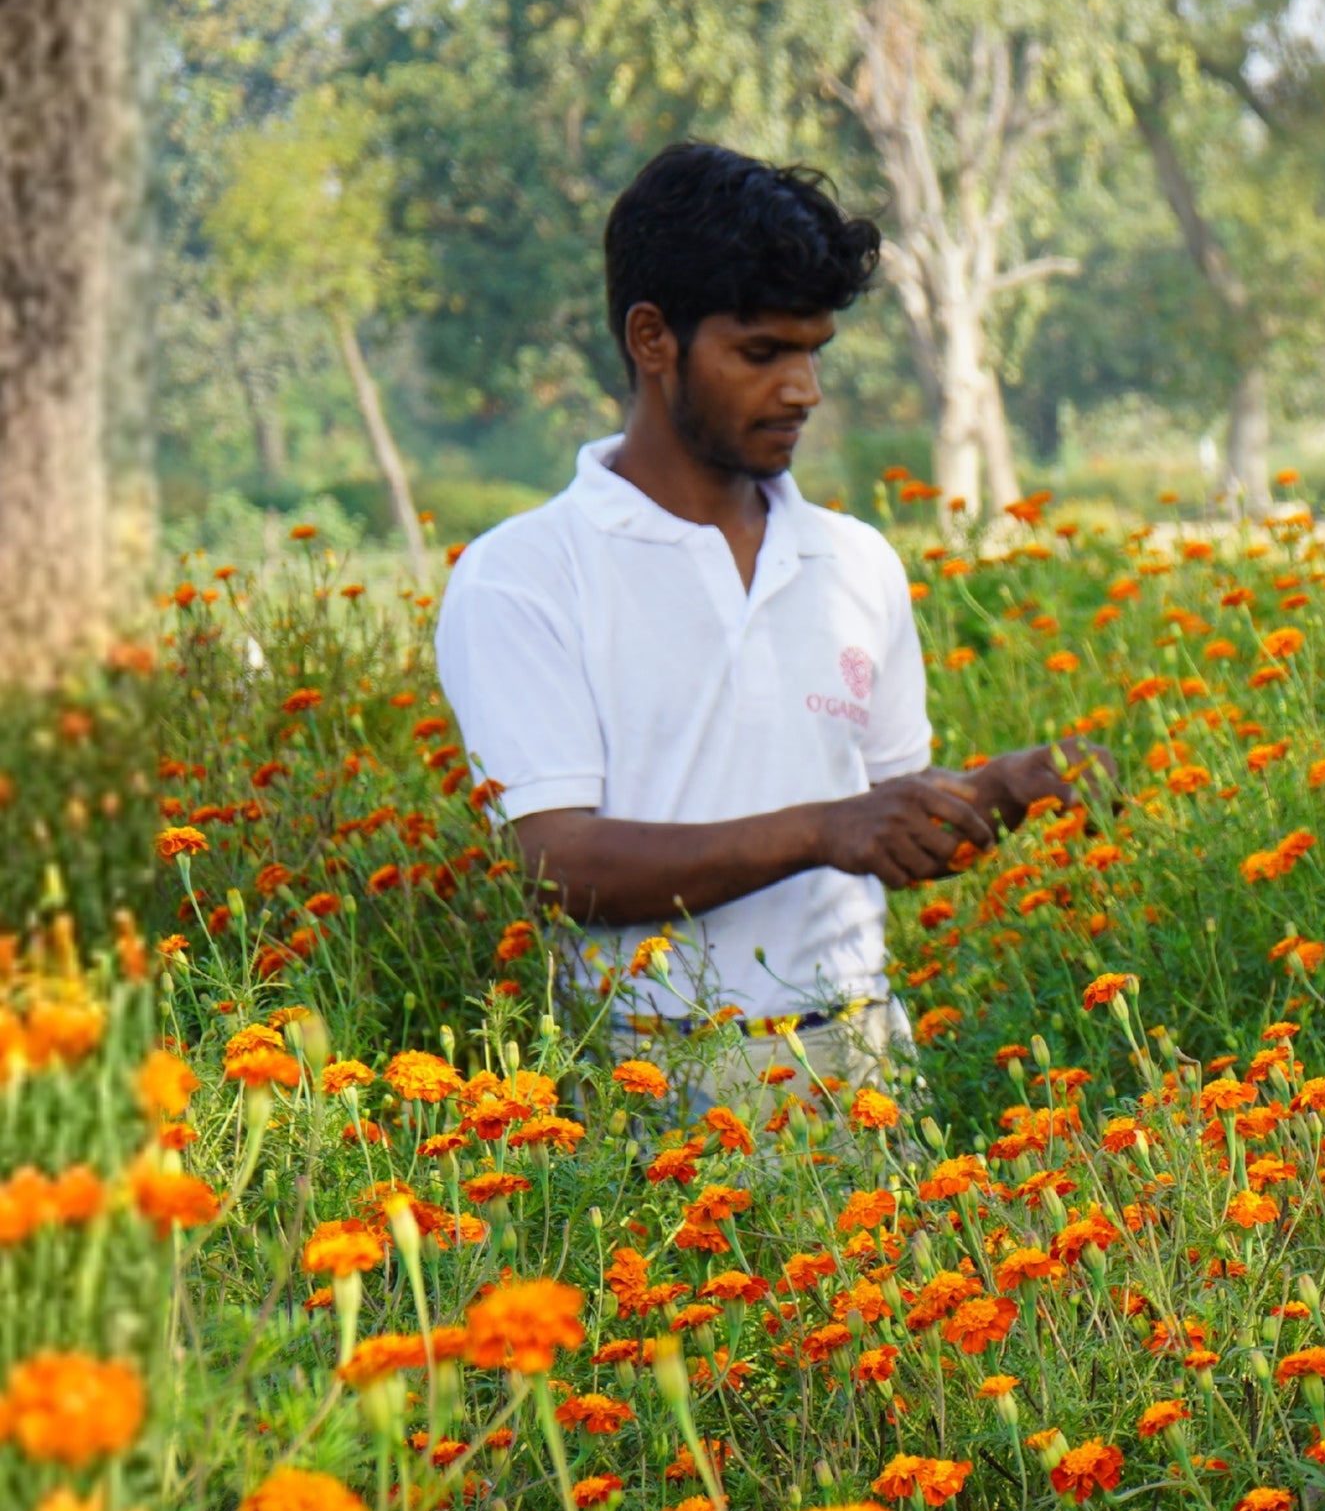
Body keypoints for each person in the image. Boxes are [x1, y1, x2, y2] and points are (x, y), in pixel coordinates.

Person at [435, 141, 1098, 1123]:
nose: (803, 390)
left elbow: (884, 831)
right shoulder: (525, 575)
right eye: (762, 354)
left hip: (867, 1067)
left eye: (813, 352)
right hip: (646, 1092)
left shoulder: (855, 562)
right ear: (653, 338)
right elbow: (561, 866)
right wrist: (826, 827)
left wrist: (997, 792)